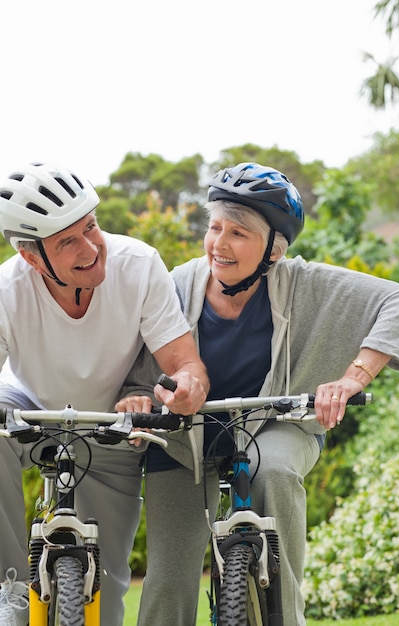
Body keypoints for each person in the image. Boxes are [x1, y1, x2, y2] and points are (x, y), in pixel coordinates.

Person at [123, 161, 399, 626]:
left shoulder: (305, 284)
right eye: (215, 227)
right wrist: (139, 398)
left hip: (278, 423)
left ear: (273, 250)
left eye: (238, 233)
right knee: (168, 578)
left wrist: (353, 377)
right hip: (185, 436)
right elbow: (138, 374)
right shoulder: (175, 285)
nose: (219, 244)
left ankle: (287, 616)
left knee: (274, 471)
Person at [0, 162, 209, 626]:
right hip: (29, 408)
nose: (92, 248)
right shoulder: (7, 289)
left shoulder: (138, 264)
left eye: (91, 227)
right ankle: (10, 588)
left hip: (110, 428)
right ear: (33, 259)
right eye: (67, 241)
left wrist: (188, 390)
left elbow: (186, 366)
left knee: (107, 596)